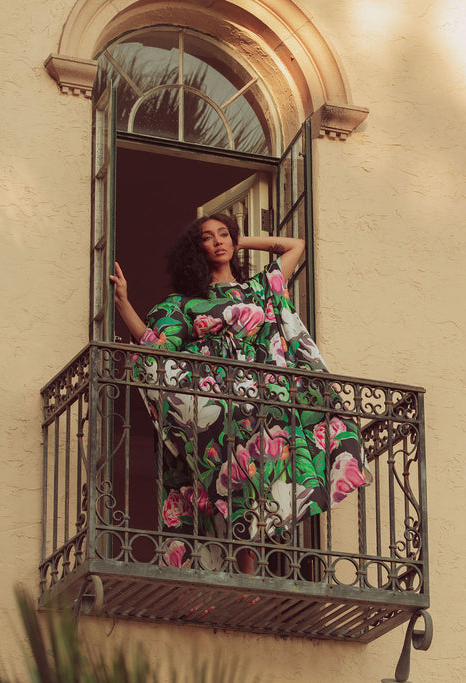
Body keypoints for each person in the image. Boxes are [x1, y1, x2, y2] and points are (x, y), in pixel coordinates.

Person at [109, 213, 369, 571]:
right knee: (234, 465)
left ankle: (250, 569)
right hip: (217, 395)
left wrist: (238, 239)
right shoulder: (184, 304)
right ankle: (240, 569)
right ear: (195, 249)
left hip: (259, 394)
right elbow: (155, 345)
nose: (218, 241)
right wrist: (123, 303)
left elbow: (296, 246)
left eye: (223, 234)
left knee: (267, 458)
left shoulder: (259, 289)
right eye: (207, 237)